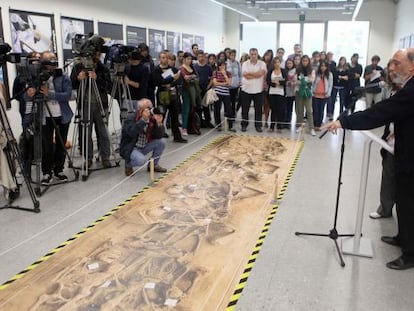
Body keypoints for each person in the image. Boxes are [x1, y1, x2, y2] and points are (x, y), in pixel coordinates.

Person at [323, 48, 414, 270]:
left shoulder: (412, 89)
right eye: (391, 63)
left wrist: (345, 122)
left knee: (409, 202)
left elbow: (381, 112)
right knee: (402, 198)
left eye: (397, 63)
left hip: (411, 157)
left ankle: (411, 254)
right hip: (403, 150)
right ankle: (403, 238)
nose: (391, 68)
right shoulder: (407, 86)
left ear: (412, 66)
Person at [26, 52, 73, 184]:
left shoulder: (63, 77)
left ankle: (59, 170)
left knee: (61, 145)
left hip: (62, 116)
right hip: (44, 117)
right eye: (48, 62)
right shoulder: (35, 77)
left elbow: (68, 95)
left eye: (53, 61)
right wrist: (30, 93)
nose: (51, 65)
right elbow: (26, 97)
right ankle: (47, 173)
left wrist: (50, 94)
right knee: (47, 146)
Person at [71, 39, 112, 169]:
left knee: (103, 132)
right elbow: (72, 85)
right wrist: (78, 79)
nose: (97, 56)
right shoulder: (78, 67)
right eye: (96, 54)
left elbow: (108, 86)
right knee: (85, 133)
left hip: (101, 104)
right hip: (85, 104)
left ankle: (105, 156)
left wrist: (97, 78)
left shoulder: (103, 68)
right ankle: (87, 158)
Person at [369, 60, 401, 220]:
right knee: (388, 175)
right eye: (390, 71)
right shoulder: (391, 90)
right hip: (391, 142)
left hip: (406, 143)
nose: (392, 73)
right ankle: (385, 209)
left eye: (396, 69)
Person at [120, 105, 167, 176]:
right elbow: (131, 133)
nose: (148, 112)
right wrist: (143, 120)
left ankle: (153, 165)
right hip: (131, 148)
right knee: (141, 160)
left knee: (161, 142)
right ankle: (128, 164)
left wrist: (159, 124)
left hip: (143, 146)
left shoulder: (152, 120)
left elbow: (159, 136)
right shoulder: (131, 118)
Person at [152, 51, 187, 143]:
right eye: (163, 57)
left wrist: (169, 82)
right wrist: (171, 79)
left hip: (173, 95)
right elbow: (158, 81)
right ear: (160, 58)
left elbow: (179, 80)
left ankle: (177, 136)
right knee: (160, 116)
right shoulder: (156, 70)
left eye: (167, 57)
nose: (165, 59)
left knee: (174, 117)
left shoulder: (173, 69)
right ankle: (155, 136)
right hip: (162, 95)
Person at [240, 48, 267, 132]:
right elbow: (246, 76)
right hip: (246, 90)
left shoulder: (262, 64)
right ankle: (244, 125)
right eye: (252, 54)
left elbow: (261, 74)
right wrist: (256, 75)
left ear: (257, 54)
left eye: (255, 54)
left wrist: (250, 73)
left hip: (258, 90)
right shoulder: (245, 63)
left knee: (258, 109)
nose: (253, 56)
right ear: (249, 55)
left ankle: (258, 125)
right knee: (245, 109)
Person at [211, 59, 235, 132]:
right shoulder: (215, 72)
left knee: (229, 110)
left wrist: (224, 75)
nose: (222, 66)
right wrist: (224, 84)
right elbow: (215, 83)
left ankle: (230, 126)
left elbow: (230, 83)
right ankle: (218, 125)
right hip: (217, 93)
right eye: (221, 65)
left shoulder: (228, 73)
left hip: (226, 93)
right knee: (217, 109)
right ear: (218, 66)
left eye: (224, 65)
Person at [295, 55, 316, 136]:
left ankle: (311, 128)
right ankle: (300, 126)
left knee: (309, 111)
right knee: (299, 110)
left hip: (308, 93)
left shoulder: (311, 70)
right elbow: (295, 81)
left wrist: (303, 79)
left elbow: (312, 80)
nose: (305, 62)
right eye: (303, 60)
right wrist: (305, 80)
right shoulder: (297, 69)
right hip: (298, 92)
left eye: (306, 61)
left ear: (308, 62)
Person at [194, 50, 214, 128]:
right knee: (198, 106)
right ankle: (200, 122)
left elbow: (212, 78)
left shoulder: (208, 67)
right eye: (199, 56)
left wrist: (208, 86)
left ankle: (207, 121)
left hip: (206, 88)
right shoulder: (195, 66)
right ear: (197, 57)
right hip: (197, 89)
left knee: (206, 106)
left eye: (202, 56)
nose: (201, 58)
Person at [266, 57, 286, 132]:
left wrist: (279, 83)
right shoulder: (270, 71)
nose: (276, 64)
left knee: (280, 110)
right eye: (275, 62)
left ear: (280, 63)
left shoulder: (283, 71)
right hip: (272, 92)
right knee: (273, 109)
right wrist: (274, 84)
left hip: (280, 93)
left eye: (278, 62)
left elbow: (285, 80)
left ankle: (279, 127)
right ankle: (272, 126)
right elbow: (268, 81)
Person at [311, 60, 333, 131]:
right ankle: (315, 124)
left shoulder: (329, 74)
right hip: (315, 95)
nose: (323, 67)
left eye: (324, 66)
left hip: (324, 95)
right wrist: (312, 92)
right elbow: (312, 83)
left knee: (321, 110)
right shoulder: (316, 74)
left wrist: (328, 94)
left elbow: (330, 85)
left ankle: (319, 124)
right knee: (315, 110)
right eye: (322, 66)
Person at [226, 49, 242, 117]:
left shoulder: (238, 63)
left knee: (233, 101)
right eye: (232, 55)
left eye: (234, 55)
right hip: (228, 85)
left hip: (235, 84)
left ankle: (233, 115)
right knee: (227, 101)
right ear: (229, 55)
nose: (233, 56)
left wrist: (240, 82)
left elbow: (240, 73)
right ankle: (228, 114)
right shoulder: (226, 63)